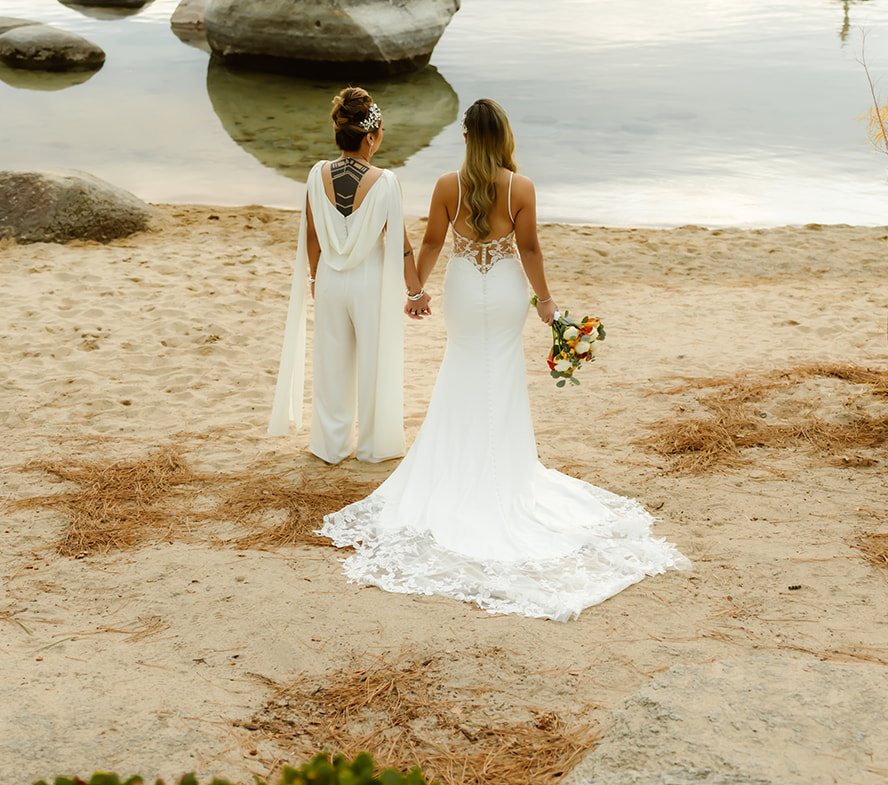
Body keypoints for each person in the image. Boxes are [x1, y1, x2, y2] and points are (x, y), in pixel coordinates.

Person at [321, 97, 689, 620]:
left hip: (464, 289)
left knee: (461, 368)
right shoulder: (521, 187)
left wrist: (415, 289)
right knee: (503, 374)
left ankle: (460, 467)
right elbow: (531, 250)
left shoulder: (447, 185)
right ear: (505, 136)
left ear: (467, 137)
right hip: (507, 290)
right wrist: (546, 301)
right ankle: (506, 472)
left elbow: (431, 243)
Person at [268, 86, 428, 464]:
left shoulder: (316, 174)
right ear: (369, 137)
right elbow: (400, 244)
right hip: (370, 282)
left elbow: (312, 234)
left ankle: (331, 446)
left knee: (331, 366)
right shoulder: (386, 182)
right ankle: (374, 447)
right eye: (381, 131)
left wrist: (314, 278)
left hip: (329, 280)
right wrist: (415, 291)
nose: (382, 137)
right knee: (376, 364)